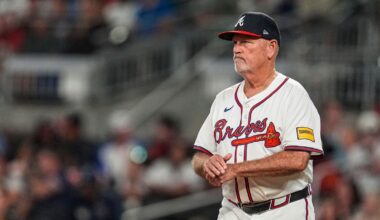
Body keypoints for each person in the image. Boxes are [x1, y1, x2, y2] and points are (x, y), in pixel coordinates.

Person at [192, 12, 324, 220]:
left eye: (246, 42)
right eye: (235, 43)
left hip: (284, 208)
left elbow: (298, 159)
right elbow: (199, 156)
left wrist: (236, 169)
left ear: (271, 48)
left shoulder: (293, 94)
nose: (236, 49)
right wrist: (207, 164)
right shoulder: (223, 99)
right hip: (233, 210)